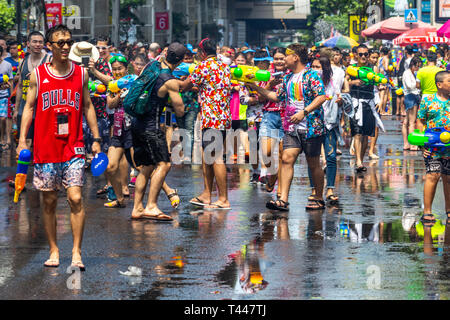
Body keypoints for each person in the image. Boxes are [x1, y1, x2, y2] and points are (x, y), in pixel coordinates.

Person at [16, 24, 102, 270]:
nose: (65, 46)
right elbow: (29, 108)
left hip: (73, 146)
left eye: (68, 42)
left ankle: (76, 251)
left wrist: (95, 139)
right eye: (60, 42)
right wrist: (23, 140)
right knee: (50, 201)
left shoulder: (81, 74)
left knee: (75, 197)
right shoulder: (39, 75)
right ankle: (54, 249)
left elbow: (87, 106)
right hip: (45, 148)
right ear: (50, 46)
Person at [248, 44, 327, 211]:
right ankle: (282, 199)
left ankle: (319, 197)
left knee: (313, 164)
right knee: (286, 159)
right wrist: (255, 87)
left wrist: (304, 112)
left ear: (296, 57)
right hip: (291, 128)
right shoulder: (287, 78)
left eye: (287, 56)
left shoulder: (311, 75)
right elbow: (276, 97)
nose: (284, 59)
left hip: (311, 127)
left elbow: (321, 97)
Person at [130, 42, 185, 220]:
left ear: (166, 53)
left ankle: (137, 208)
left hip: (137, 123)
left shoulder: (153, 66)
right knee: (164, 164)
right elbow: (180, 110)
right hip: (151, 127)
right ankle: (151, 206)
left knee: (146, 167)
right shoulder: (169, 80)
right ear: (181, 61)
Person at [181, 38, 232, 210]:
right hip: (222, 117)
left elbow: (186, 86)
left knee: (215, 157)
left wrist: (173, 81)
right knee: (207, 157)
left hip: (212, 118)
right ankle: (206, 194)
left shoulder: (203, 67)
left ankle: (223, 198)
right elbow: (211, 87)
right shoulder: (224, 67)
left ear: (202, 53)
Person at [308, 55, 346, 205]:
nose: (315, 70)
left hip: (329, 124)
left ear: (325, 69)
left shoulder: (332, 82)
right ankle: (314, 189)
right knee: (313, 159)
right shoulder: (307, 83)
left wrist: (340, 101)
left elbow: (340, 99)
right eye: (313, 67)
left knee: (330, 157)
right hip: (312, 123)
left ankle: (330, 189)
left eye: (318, 67)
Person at [416, 70, 450, 227]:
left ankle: (449, 211)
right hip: (432, 147)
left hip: (449, 147)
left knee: (448, 178)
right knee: (433, 175)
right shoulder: (427, 101)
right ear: (439, 84)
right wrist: (422, 144)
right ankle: (427, 211)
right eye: (449, 81)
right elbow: (420, 122)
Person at [346, 44, 384, 173]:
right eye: (360, 54)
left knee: (366, 135)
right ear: (355, 55)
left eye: (366, 54)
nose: (363, 56)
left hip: (369, 103)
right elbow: (343, 84)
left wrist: (381, 100)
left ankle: (360, 160)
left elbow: (380, 86)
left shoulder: (374, 68)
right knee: (357, 132)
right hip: (356, 103)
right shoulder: (351, 69)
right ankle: (358, 161)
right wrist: (353, 82)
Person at [14, 31, 51, 153]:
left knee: (41, 144)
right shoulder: (23, 61)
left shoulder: (49, 60)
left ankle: (39, 170)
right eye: (34, 41)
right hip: (25, 109)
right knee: (25, 143)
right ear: (28, 44)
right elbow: (19, 86)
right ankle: (24, 171)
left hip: (43, 109)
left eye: (40, 42)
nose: (38, 44)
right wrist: (16, 109)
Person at [259, 47, 287, 198]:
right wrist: (270, 85)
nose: (279, 61)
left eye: (282, 58)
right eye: (276, 58)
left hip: (286, 118)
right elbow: (260, 98)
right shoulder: (266, 75)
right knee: (266, 152)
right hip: (269, 116)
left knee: (283, 156)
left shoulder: (291, 75)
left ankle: (281, 190)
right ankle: (273, 175)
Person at [402, 56, 422, 151]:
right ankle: (412, 144)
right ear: (412, 65)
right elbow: (410, 86)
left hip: (411, 96)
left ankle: (406, 144)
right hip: (411, 97)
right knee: (411, 123)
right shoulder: (407, 73)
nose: (418, 68)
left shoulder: (412, 73)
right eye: (417, 66)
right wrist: (418, 85)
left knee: (406, 122)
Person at [0, 45, 13, 150]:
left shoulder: (7, 65)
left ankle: (3, 139)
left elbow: (11, 82)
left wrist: (11, 95)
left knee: (3, 119)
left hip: (4, 96)